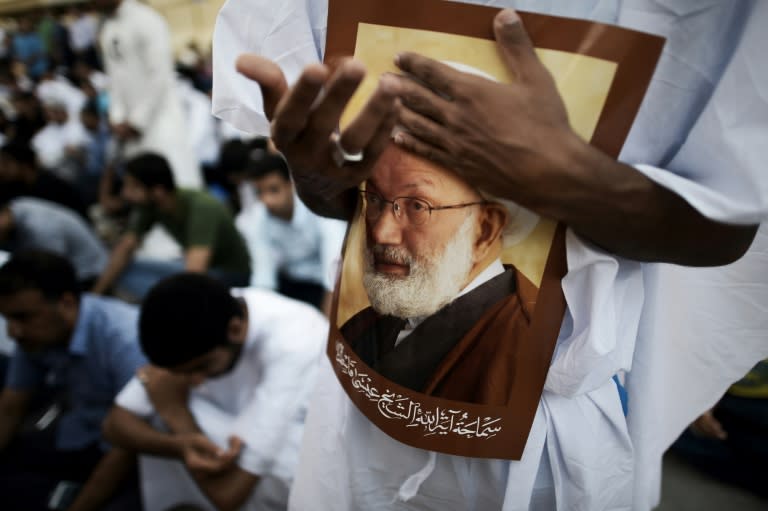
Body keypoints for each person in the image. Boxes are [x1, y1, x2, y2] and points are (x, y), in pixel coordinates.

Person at [212, 1, 768, 509]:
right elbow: (336, 196)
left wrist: (565, 180)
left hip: (541, 450)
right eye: (380, 202)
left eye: (418, 207)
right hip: (355, 412)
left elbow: (724, 226)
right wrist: (316, 176)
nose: (381, 229)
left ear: (487, 234)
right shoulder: (364, 329)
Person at [102, 272, 328, 511]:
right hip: (238, 446)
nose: (196, 380)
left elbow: (229, 496)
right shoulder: (197, 319)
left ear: (235, 329)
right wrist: (179, 446)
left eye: (203, 367)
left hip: (307, 467)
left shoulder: (295, 340)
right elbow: (114, 426)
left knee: (165, 407)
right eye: (184, 372)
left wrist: (177, 416)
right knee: (153, 415)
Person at [0, 250, 146, 511]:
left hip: (130, 454)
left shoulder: (124, 339)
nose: (14, 332)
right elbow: (11, 407)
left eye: (23, 317)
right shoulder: (35, 337)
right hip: (78, 432)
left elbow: (128, 446)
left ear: (66, 303)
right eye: (8, 319)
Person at [92, 152, 251, 300]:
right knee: (123, 268)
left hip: (230, 274)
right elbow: (124, 249)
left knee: (177, 291)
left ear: (158, 191)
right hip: (198, 267)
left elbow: (195, 274)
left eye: (133, 187)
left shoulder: (201, 207)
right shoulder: (150, 206)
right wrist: (94, 297)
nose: (125, 193)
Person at [95, 0, 202, 189]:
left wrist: (137, 121)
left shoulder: (147, 20)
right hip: (129, 130)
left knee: (176, 184)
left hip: (159, 120)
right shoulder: (108, 29)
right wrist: (117, 117)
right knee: (143, 189)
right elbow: (114, 79)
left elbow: (160, 76)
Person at [243, 152, 346, 311]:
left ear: (290, 184)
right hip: (291, 284)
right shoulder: (258, 217)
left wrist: (327, 324)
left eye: (273, 190)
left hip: (328, 285)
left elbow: (335, 268)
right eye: (259, 193)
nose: (266, 200)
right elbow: (263, 275)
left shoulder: (319, 204)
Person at [0, 197, 108, 288]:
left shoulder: (40, 228)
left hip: (90, 275)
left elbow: (53, 273)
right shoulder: (16, 207)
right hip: (68, 269)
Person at [0, 139, 88, 219]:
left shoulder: (56, 190)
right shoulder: (10, 187)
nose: (1, 169)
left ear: (25, 166)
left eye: (6, 164)